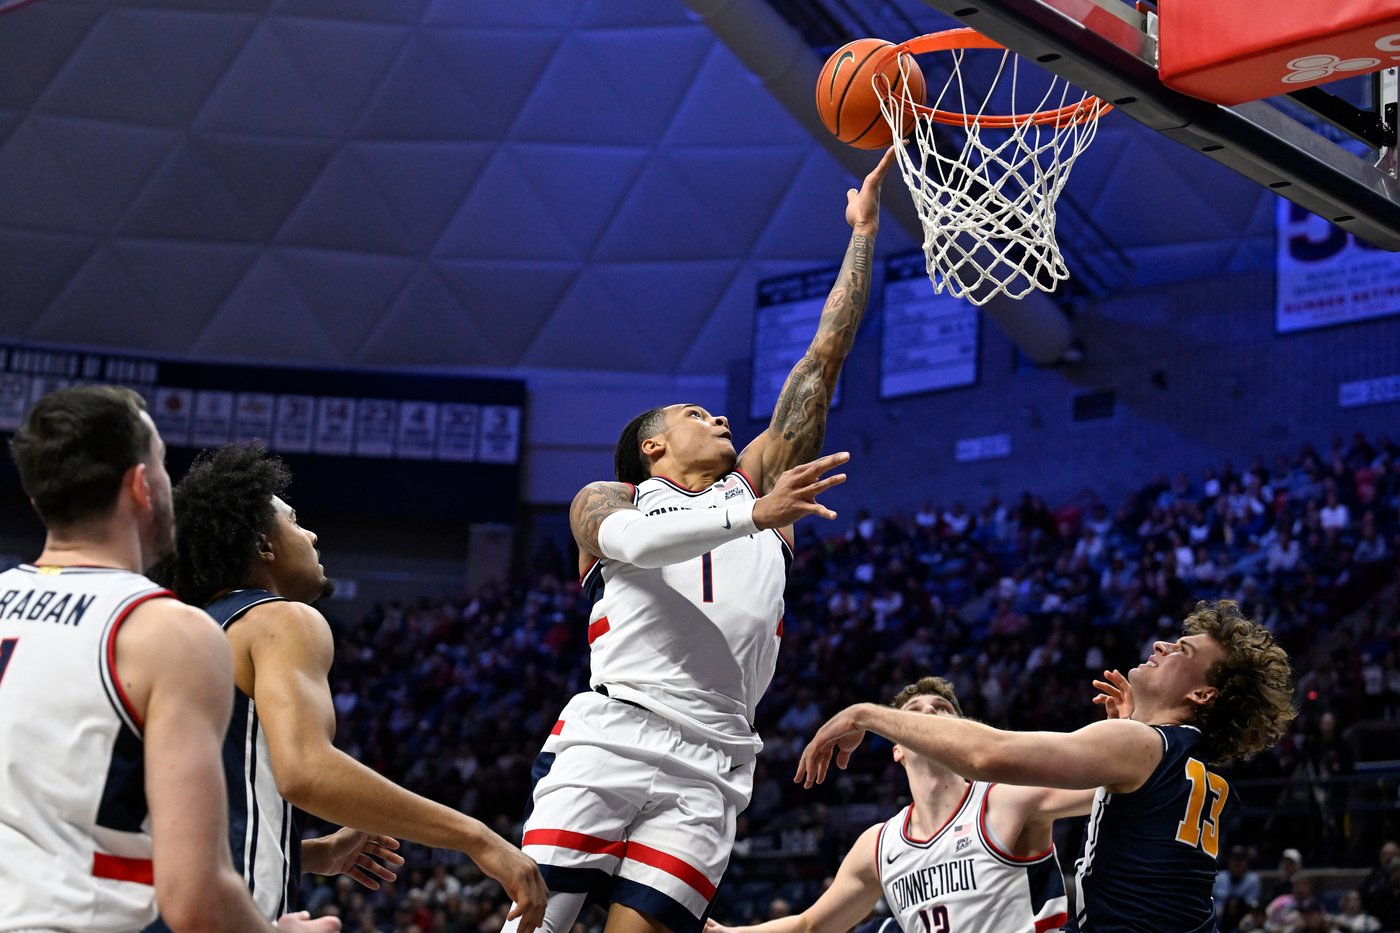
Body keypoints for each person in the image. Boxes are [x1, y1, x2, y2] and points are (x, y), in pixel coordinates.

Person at [510, 147, 898, 933]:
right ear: (651, 445)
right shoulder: (609, 499)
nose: (718, 417)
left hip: (716, 758)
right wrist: (752, 516)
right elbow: (638, 545)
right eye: (695, 413)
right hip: (616, 731)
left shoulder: (759, 486)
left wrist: (862, 234)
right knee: (537, 924)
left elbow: (823, 356)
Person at [146, 442, 546, 930]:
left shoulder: (186, 634)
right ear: (263, 545)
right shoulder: (281, 619)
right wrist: (476, 837)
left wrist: (317, 854)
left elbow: (196, 822)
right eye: (295, 521)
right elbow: (305, 771)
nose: (312, 534)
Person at [0, 385, 337, 932]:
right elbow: (195, 895)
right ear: (142, 486)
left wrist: (311, 855)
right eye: (161, 461)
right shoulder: (169, 631)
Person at [797, 599, 1297, 933]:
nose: (1161, 646)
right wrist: (1131, 728)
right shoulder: (1181, 756)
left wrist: (865, 714)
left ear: (1203, 693)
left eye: (1181, 650)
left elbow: (986, 755)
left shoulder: (1140, 746)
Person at [704, 677, 1078, 933]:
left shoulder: (1007, 800)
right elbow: (811, 925)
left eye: (942, 708)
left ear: (960, 732)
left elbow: (1102, 787)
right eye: (915, 710)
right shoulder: (879, 845)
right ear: (898, 748)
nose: (930, 713)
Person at [1214, 845, 1263, 931]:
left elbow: (1251, 904)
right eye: (1234, 860)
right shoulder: (1219, 877)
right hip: (1217, 919)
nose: (1236, 864)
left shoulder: (1252, 880)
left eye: (1240, 860)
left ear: (1246, 862)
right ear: (1229, 861)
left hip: (1241, 920)